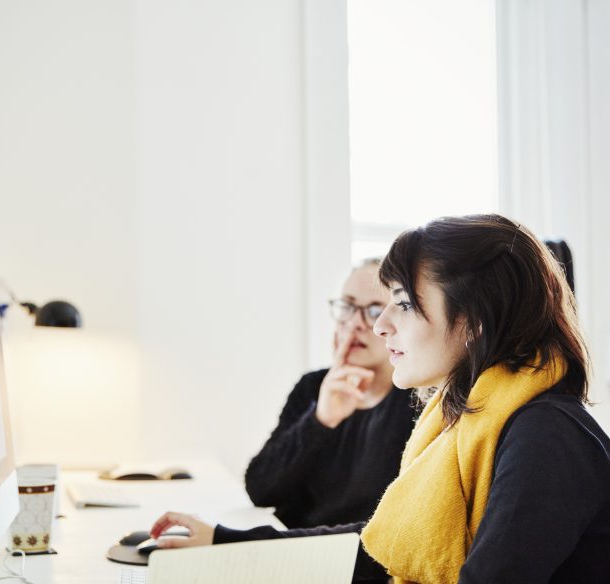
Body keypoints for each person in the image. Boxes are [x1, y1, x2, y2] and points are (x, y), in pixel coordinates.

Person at [148, 215, 610, 583]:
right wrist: (224, 542)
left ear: (474, 321)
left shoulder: (546, 434)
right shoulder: (463, 419)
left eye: (402, 303)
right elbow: (381, 548)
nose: (379, 324)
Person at [244, 258, 417, 531]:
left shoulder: (417, 402)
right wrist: (320, 420)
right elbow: (260, 490)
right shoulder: (313, 386)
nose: (355, 323)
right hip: (285, 548)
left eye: (374, 310)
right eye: (348, 306)